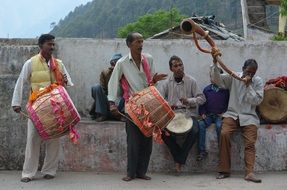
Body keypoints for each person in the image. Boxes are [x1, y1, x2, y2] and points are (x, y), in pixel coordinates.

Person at [11, 34, 73, 183]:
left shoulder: (59, 63)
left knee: (54, 139)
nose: (52, 47)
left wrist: (64, 81)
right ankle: (28, 173)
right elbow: (21, 82)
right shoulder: (30, 63)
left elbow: (68, 82)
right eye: (49, 44)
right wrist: (16, 103)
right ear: (40, 46)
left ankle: (50, 170)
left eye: (53, 44)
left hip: (55, 108)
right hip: (36, 107)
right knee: (32, 139)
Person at [107, 32, 167, 181]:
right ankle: (130, 173)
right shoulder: (122, 63)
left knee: (147, 140)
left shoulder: (149, 59)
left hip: (149, 104)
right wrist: (111, 103)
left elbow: (151, 83)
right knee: (133, 141)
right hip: (132, 106)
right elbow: (113, 82)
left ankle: (141, 172)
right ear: (129, 44)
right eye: (137, 42)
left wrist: (154, 79)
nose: (141, 45)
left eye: (142, 41)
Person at [210, 57, 264, 183]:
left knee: (250, 142)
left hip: (249, 116)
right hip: (232, 114)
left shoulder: (258, 81)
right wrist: (215, 62)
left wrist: (248, 86)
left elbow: (257, 100)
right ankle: (224, 170)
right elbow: (217, 80)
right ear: (243, 69)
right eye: (248, 72)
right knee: (224, 134)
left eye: (253, 73)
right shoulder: (233, 76)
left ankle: (249, 172)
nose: (250, 75)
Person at [159, 55, 206, 173]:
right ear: (171, 69)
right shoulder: (166, 83)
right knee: (162, 132)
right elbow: (159, 100)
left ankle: (178, 160)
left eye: (181, 65)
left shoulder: (191, 81)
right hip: (172, 115)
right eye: (176, 66)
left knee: (195, 130)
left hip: (188, 113)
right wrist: (167, 105)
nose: (179, 68)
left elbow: (202, 98)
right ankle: (180, 158)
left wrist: (189, 101)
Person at [196, 69, 229, 161]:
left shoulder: (225, 90)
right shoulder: (207, 90)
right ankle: (202, 151)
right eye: (211, 76)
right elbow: (202, 103)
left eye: (216, 77)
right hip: (209, 115)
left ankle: (221, 150)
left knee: (219, 127)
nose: (213, 78)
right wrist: (202, 113)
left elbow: (228, 104)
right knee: (201, 125)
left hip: (219, 116)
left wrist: (224, 113)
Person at [89, 53, 125, 122]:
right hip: (108, 103)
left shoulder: (125, 73)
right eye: (114, 63)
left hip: (121, 104)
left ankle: (119, 115)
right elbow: (102, 91)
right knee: (96, 87)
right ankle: (102, 114)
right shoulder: (105, 73)